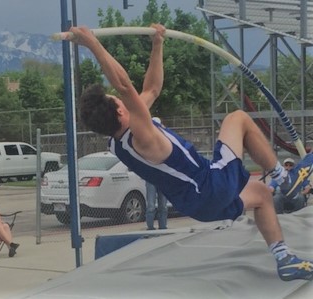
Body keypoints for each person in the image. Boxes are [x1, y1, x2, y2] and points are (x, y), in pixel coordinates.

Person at [67, 23, 313, 281]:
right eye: (117, 99)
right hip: (211, 185)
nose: (124, 98)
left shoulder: (118, 142)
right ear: (120, 110)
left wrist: (157, 44)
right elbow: (125, 86)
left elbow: (151, 89)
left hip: (198, 206)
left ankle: (284, 258)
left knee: (261, 195)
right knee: (237, 118)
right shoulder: (142, 135)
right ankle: (287, 180)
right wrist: (92, 43)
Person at [145, 117, 168, 230]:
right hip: (151, 177)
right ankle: (150, 228)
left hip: (163, 177)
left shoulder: (164, 141)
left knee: (163, 205)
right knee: (150, 205)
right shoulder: (146, 141)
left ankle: (163, 227)